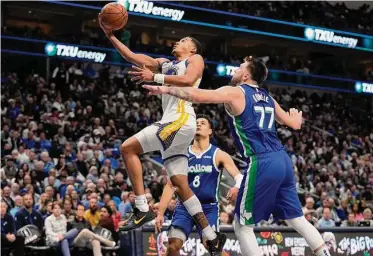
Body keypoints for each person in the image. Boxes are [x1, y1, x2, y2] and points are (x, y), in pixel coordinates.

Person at [143, 56, 331, 256]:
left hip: (262, 160)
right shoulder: (267, 97)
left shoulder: (236, 92)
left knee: (242, 226)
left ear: (247, 74)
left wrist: (164, 87)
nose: (236, 69)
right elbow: (293, 124)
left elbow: (198, 95)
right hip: (283, 161)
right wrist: (297, 119)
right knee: (297, 219)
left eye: (240, 67)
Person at [99, 13, 225, 254]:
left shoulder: (195, 59)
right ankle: (211, 235)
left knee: (127, 148)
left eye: (185, 39)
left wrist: (154, 78)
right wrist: (111, 36)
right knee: (179, 183)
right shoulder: (164, 62)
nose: (179, 41)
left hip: (179, 119)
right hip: (175, 124)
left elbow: (188, 81)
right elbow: (133, 57)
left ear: (192, 48)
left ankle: (141, 206)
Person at [154, 115, 242, 255]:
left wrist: (237, 186)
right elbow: (171, 185)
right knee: (172, 246)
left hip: (208, 209)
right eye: (196, 123)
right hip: (185, 208)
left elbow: (239, 177)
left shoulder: (219, 155)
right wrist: (160, 213)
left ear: (210, 131)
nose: (199, 125)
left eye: (203, 123)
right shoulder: (182, 155)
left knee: (213, 248)